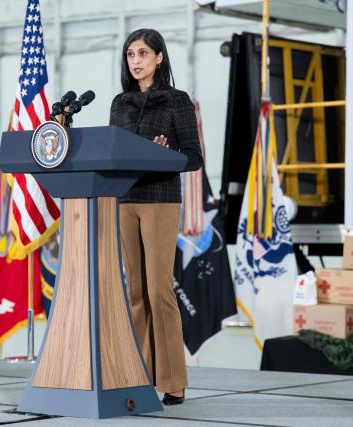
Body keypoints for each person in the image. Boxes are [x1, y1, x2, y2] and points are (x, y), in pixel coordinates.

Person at [109, 28, 203, 406]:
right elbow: (113, 150)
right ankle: (137, 373)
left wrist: (162, 155)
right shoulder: (120, 102)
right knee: (134, 291)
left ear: (159, 58)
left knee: (158, 290)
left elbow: (194, 158)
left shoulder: (177, 101)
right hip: (125, 199)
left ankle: (173, 379)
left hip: (161, 200)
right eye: (131, 54)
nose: (136, 60)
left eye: (143, 53)